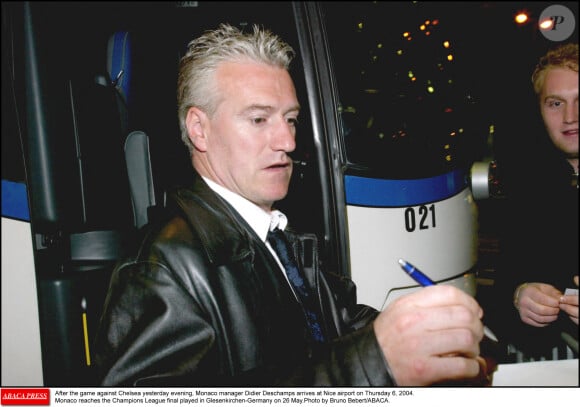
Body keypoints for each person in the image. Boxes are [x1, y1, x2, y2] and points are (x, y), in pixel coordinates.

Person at [94, 23, 487, 387]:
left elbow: (339, 326)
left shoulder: (278, 237)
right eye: (259, 120)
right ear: (199, 129)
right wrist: (372, 359)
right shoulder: (160, 270)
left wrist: (422, 334)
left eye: (291, 119)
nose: (287, 142)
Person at [490, 43, 578, 360]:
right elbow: (502, 288)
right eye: (555, 103)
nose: (571, 117)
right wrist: (519, 296)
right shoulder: (529, 188)